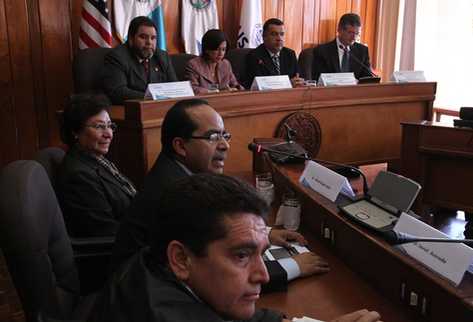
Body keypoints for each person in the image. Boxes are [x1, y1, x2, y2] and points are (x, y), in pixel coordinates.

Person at [91, 174, 382, 322]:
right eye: (241, 255)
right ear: (181, 258)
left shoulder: (157, 265)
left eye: (260, 251)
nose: (263, 275)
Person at [111, 98, 329, 293]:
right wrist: (294, 266)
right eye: (213, 137)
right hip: (146, 295)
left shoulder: (176, 172)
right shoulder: (175, 192)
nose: (225, 145)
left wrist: (267, 234)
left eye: (225, 135)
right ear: (180, 146)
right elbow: (220, 272)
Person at [57, 94, 136, 237]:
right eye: (99, 127)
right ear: (75, 131)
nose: (109, 134)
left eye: (110, 126)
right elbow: (107, 231)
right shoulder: (79, 176)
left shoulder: (97, 159)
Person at [102, 16, 177, 104]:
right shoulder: (117, 57)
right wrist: (153, 97)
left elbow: (175, 86)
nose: (149, 42)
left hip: (160, 109)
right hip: (130, 111)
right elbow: (118, 92)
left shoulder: (162, 56)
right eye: (143, 37)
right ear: (131, 39)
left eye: (153, 38)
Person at [312, 13, 372, 82]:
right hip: (331, 91)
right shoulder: (322, 51)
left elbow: (368, 79)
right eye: (350, 33)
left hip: (355, 92)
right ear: (339, 30)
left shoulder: (362, 51)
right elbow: (319, 79)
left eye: (357, 34)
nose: (354, 38)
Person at [246, 18, 304, 88]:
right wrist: (287, 84)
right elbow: (260, 85)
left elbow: (297, 78)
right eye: (274, 34)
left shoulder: (290, 54)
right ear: (264, 36)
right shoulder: (255, 56)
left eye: (282, 34)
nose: (279, 38)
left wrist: (298, 82)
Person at [185, 29, 244, 94]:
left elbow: (235, 84)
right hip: (203, 101)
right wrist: (214, 92)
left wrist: (235, 89)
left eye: (223, 49)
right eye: (217, 49)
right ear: (207, 49)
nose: (221, 53)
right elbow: (193, 89)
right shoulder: (194, 65)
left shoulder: (225, 64)